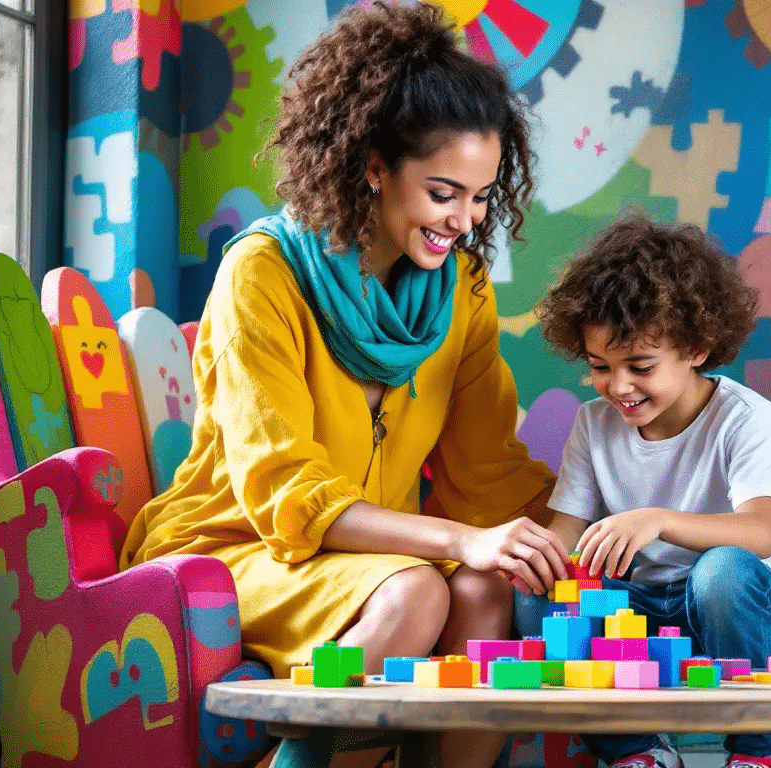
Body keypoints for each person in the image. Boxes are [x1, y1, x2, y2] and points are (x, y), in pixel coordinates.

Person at [120, 3, 569, 766]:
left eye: (482, 195)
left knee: (487, 593)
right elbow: (287, 495)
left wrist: (598, 529)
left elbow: (485, 470)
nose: (465, 220)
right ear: (372, 166)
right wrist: (462, 542)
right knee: (420, 590)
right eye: (442, 192)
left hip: (368, 566)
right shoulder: (261, 274)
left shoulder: (461, 289)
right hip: (235, 552)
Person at [519, 211, 771, 768]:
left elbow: (760, 533)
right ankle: (636, 750)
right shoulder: (594, 424)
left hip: (756, 615)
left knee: (721, 572)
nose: (619, 387)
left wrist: (655, 519)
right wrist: (528, 557)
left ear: (698, 347)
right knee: (538, 590)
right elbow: (563, 539)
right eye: (599, 367)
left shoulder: (745, 418)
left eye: (640, 365)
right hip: (652, 615)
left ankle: (765, 749)